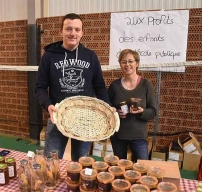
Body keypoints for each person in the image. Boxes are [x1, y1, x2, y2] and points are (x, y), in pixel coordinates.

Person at [35, 13, 111, 161]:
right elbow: (40, 88)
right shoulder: (49, 56)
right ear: (61, 31)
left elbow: (100, 86)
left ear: (82, 33)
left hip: (84, 118)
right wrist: (48, 105)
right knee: (51, 161)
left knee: (81, 162)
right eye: (68, 29)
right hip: (58, 116)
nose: (73, 33)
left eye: (77, 29)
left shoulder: (91, 56)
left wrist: (108, 106)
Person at [108, 49, 157, 161]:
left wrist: (142, 112)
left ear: (137, 63)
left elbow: (153, 111)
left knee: (142, 167)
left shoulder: (146, 85)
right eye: (124, 62)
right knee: (119, 169)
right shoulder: (114, 86)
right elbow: (108, 108)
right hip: (118, 135)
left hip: (138, 136)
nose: (127, 64)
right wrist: (115, 112)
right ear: (120, 64)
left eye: (131, 61)